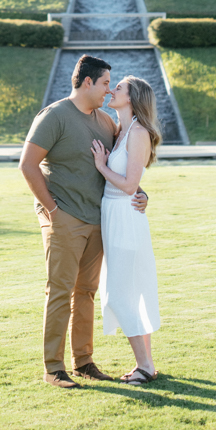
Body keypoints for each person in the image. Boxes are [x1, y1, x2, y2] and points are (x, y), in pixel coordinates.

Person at [19, 54, 149, 389]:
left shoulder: (105, 122)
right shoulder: (54, 115)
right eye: (106, 83)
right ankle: (54, 368)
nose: (109, 90)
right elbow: (28, 165)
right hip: (64, 219)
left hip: (97, 221)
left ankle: (84, 362)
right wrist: (52, 211)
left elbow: (123, 167)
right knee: (60, 291)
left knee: (86, 292)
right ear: (88, 82)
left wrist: (141, 192)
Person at [91, 75, 162, 385]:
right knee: (128, 293)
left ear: (132, 98)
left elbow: (130, 184)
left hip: (125, 218)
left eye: (117, 87)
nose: (111, 90)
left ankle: (144, 365)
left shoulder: (139, 133)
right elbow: (134, 182)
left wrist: (101, 166)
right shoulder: (121, 131)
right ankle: (146, 364)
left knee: (119, 295)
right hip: (114, 214)